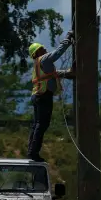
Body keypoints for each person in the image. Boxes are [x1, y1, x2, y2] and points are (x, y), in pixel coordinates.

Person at [27, 31, 75, 162]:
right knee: (41, 125)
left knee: (37, 125)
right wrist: (68, 39)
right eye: (42, 49)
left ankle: (31, 151)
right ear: (36, 53)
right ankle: (33, 153)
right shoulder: (45, 59)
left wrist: (67, 73)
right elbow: (58, 53)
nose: (45, 49)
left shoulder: (38, 63)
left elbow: (52, 74)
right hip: (43, 96)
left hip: (37, 96)